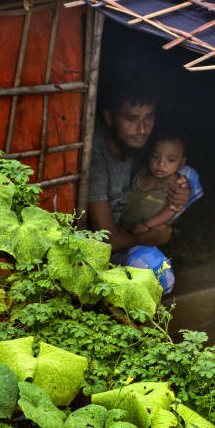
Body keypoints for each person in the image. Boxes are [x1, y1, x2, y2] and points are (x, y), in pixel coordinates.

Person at [87, 87, 194, 293]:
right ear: (109, 117)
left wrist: (181, 191)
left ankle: (158, 228)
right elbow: (105, 240)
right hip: (103, 246)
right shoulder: (95, 157)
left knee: (188, 176)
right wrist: (144, 238)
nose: (143, 128)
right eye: (131, 118)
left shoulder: (136, 141)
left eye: (149, 118)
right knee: (160, 275)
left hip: (134, 220)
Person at [118, 129, 202, 235]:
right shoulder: (140, 170)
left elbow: (172, 209)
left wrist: (147, 225)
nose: (161, 164)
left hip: (143, 232)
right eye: (155, 157)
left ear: (181, 162)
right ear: (148, 155)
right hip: (119, 226)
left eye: (171, 160)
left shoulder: (177, 183)